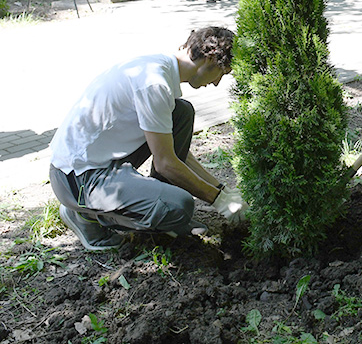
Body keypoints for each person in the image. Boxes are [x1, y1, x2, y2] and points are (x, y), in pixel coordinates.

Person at [49, 27, 248, 251]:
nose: (216, 83)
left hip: (96, 165)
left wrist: (222, 190)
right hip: (78, 180)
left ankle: (158, 207)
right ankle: (87, 217)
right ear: (210, 58)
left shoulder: (158, 69)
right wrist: (218, 201)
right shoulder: (154, 84)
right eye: (222, 73)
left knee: (180, 113)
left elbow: (172, 154)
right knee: (179, 206)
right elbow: (166, 163)